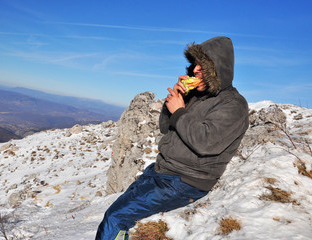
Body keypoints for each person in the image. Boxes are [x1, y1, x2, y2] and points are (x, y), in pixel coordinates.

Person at [95, 36, 249, 240]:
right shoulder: (197, 96)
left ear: (217, 69)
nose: (195, 70)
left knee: (116, 218)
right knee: (114, 213)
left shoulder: (233, 104)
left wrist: (179, 111)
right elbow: (164, 127)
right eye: (195, 65)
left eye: (202, 67)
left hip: (185, 180)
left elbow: (206, 142)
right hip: (161, 171)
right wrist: (177, 98)